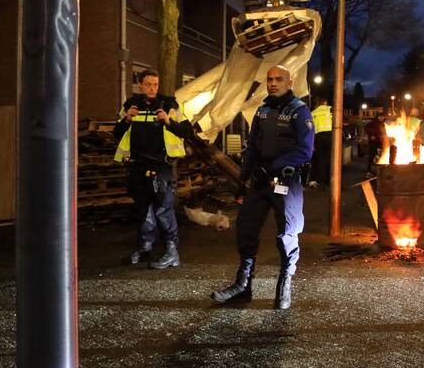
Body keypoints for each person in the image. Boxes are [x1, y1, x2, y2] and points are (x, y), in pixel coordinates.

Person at [211, 65, 314, 310]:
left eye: (279, 79)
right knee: (245, 228)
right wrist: (241, 182)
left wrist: (274, 167)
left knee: (287, 235)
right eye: (270, 79)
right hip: (259, 182)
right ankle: (243, 285)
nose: (273, 83)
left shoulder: (300, 112)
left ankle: (284, 285)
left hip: (286, 183)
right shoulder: (262, 111)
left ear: (290, 83)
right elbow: (252, 151)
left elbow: (305, 150)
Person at [113, 69, 193, 269]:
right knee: (143, 209)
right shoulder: (130, 105)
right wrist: (127, 119)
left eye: (155, 84)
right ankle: (146, 247)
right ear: (140, 85)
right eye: (148, 84)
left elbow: (187, 131)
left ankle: (172, 252)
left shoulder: (169, 104)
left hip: (161, 166)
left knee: (163, 209)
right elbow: (116, 132)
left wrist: (168, 121)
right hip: (137, 166)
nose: (152, 88)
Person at [310, 98, 333, 186]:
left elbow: (310, 130)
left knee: (319, 159)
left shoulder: (312, 113)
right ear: (325, 102)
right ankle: (329, 180)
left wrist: (312, 143)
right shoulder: (330, 111)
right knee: (330, 159)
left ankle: (320, 180)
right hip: (330, 137)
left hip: (318, 138)